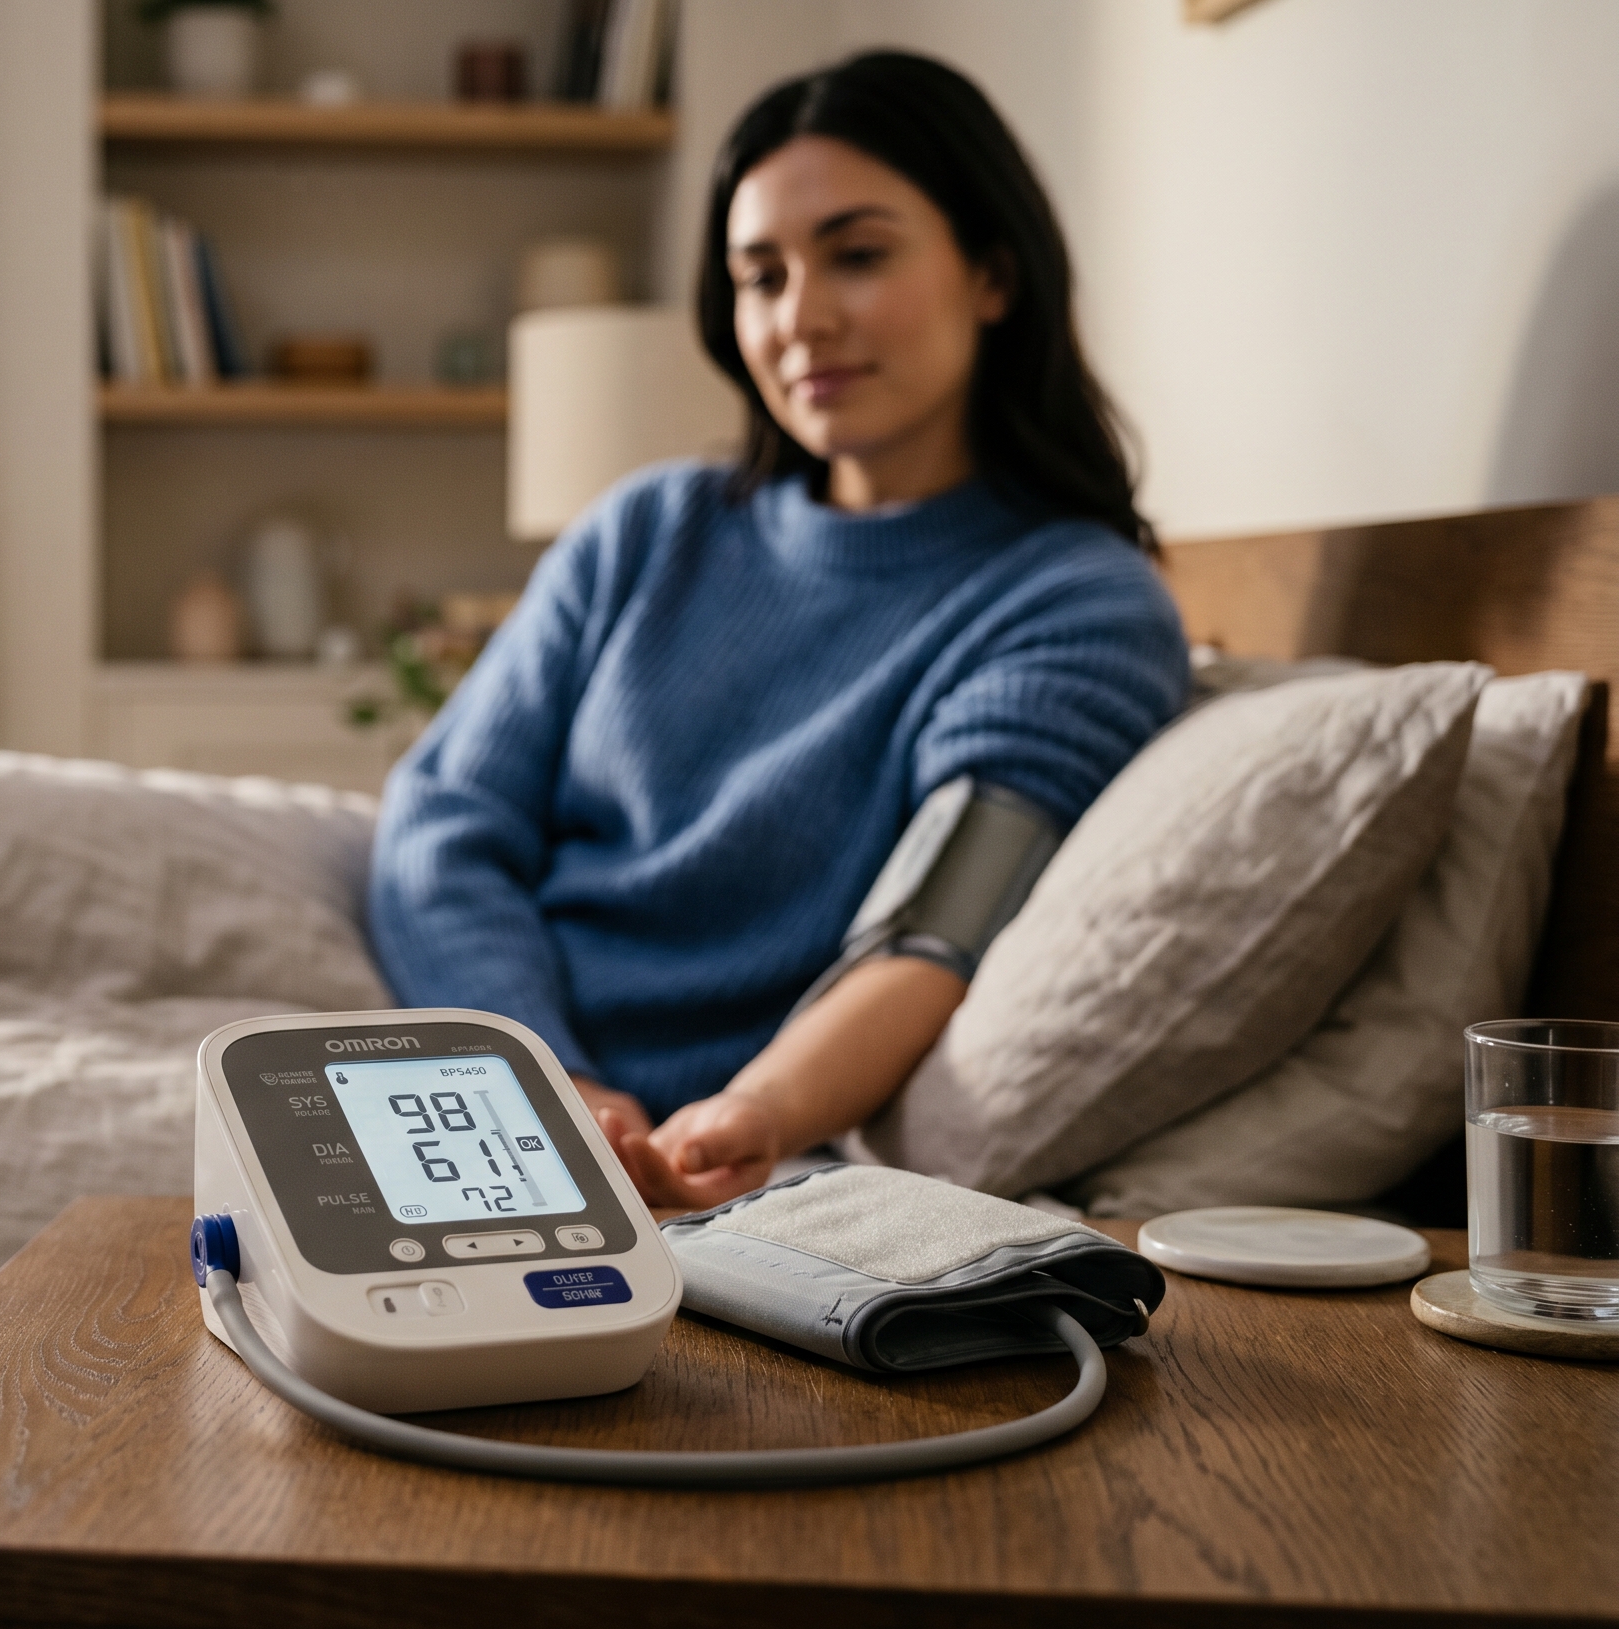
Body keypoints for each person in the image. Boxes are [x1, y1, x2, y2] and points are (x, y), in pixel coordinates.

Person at [366, 51, 1188, 1213]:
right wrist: (543, 1081)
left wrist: (751, 1112)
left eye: (857, 255)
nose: (799, 318)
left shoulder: (1071, 601)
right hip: (496, 1065)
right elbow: (443, 820)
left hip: (719, 1138)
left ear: (992, 274)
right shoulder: (645, 529)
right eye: (760, 276)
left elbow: (933, 933)